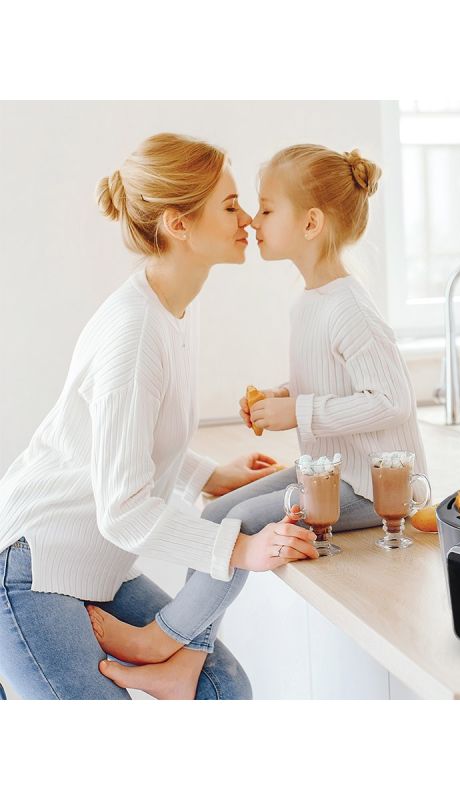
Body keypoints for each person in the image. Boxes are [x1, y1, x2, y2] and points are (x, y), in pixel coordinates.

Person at [86, 144, 429, 697]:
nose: (253, 220)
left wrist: (299, 411)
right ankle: (188, 661)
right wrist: (282, 396)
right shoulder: (312, 302)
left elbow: (392, 401)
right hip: (331, 474)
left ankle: (163, 640)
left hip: (374, 487)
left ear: (310, 224)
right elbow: (333, 382)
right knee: (216, 514)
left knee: (242, 522)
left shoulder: (349, 308)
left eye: (267, 209)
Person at [0, 133, 318, 700]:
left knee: (223, 691)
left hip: (97, 566)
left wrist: (207, 475)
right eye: (230, 206)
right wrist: (239, 550)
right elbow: (123, 510)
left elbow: (122, 435)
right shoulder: (136, 331)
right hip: (36, 568)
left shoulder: (170, 309)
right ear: (178, 224)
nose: (247, 219)